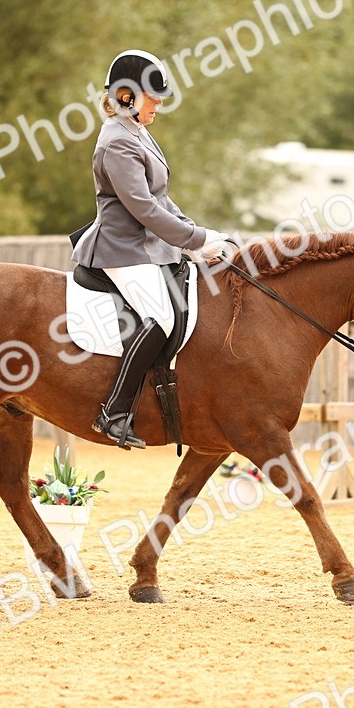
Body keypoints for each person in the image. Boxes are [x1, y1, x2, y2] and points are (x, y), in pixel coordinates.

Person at [71, 49, 234, 449]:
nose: (159, 102)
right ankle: (114, 412)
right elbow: (142, 208)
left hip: (148, 246)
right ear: (127, 95)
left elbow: (161, 198)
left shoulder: (136, 131)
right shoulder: (116, 142)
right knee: (160, 317)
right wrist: (195, 240)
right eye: (153, 95)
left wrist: (196, 234)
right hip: (122, 249)